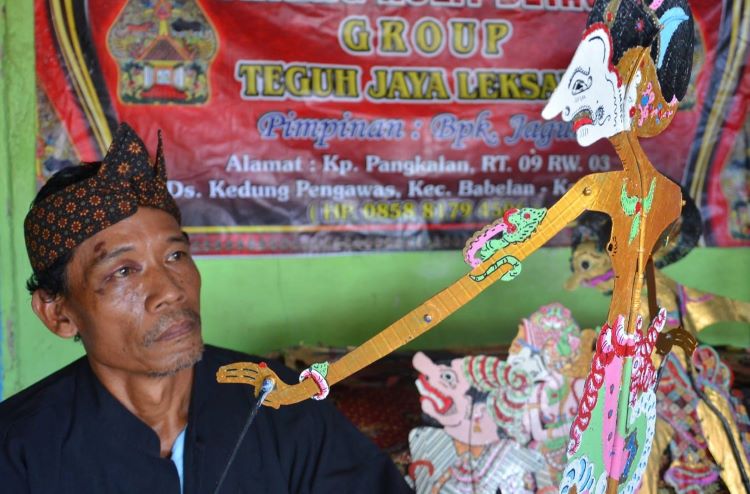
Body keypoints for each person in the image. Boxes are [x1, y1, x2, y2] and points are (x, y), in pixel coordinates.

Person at [0, 123, 412, 493]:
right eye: (123, 271)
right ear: (59, 314)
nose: (170, 291)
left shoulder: (281, 406)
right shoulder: (19, 450)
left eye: (176, 256)